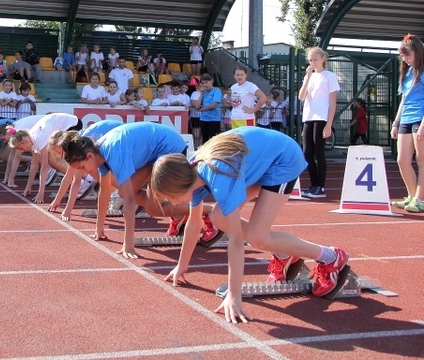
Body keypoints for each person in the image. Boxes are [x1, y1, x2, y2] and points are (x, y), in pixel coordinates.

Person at [149, 127, 350, 323]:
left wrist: (234, 296)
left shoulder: (219, 177)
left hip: (282, 160)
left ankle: (331, 256)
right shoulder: (191, 171)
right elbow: (194, 224)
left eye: (170, 198)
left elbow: (236, 241)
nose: (173, 204)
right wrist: (181, 266)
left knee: (258, 237)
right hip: (257, 160)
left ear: (180, 186)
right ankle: (284, 253)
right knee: (218, 218)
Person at [57, 122, 192, 258]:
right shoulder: (100, 155)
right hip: (155, 151)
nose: (83, 172)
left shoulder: (114, 152)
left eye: (81, 167)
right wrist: (99, 227)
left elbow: (130, 199)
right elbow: (104, 192)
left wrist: (128, 244)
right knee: (125, 193)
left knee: (152, 207)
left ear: (89, 156)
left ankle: (201, 212)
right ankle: (181, 211)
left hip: (171, 148)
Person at [47, 119, 122, 221]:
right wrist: (57, 201)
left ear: (64, 146)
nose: (58, 156)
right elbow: (68, 176)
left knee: (100, 172)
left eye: (58, 152)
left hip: (118, 132)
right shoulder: (75, 143)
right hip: (113, 130)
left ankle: (122, 194)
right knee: (100, 173)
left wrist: (68, 210)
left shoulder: (77, 149)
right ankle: (121, 193)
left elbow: (76, 181)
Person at [9, 113, 82, 203]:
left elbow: (44, 167)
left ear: (25, 141)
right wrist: (29, 187)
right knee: (51, 158)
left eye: (20, 148)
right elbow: (35, 164)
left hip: (73, 124)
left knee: (53, 159)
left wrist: (41, 193)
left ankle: (82, 180)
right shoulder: (32, 138)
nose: (22, 151)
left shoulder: (40, 138)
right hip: (60, 125)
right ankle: (77, 179)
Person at [298, 47, 339, 199]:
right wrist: (308, 77)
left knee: (318, 151)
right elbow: (301, 97)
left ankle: (320, 186)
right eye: (310, 60)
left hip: (322, 117)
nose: (313, 62)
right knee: (307, 152)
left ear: (323, 59)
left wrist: (329, 125)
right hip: (308, 117)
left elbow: (333, 102)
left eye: (315, 59)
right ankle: (313, 184)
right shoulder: (309, 76)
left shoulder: (329, 76)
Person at [391, 34, 424, 213]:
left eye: (407, 54)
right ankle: (412, 196)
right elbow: (403, 99)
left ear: (418, 52)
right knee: (402, 159)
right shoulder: (408, 73)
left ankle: (420, 198)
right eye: (402, 55)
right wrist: (395, 122)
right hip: (406, 118)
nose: (404, 58)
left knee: (421, 160)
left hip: (421, 118)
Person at [194, 73, 223, 144]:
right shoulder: (204, 93)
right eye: (203, 83)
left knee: (213, 140)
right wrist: (201, 94)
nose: (205, 85)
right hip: (204, 119)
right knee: (205, 139)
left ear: (211, 81)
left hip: (214, 119)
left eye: (206, 82)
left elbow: (213, 105)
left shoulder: (217, 91)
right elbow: (197, 106)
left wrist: (202, 109)